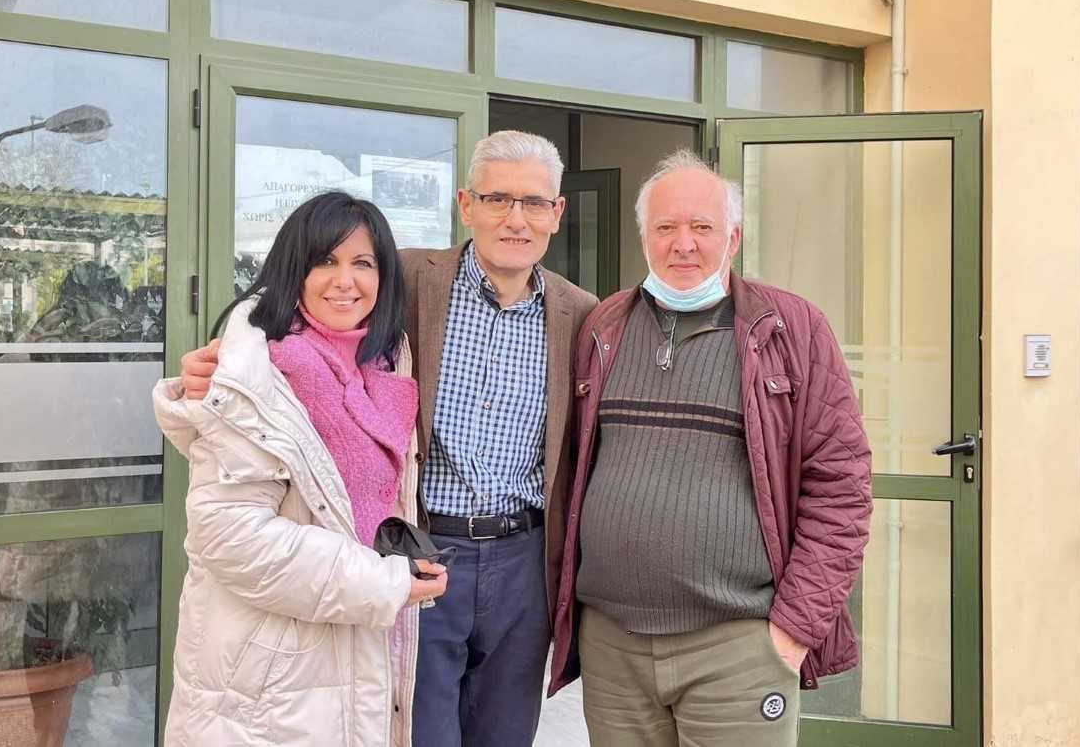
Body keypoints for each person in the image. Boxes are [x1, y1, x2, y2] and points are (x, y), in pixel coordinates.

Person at [177, 131, 599, 747]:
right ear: (466, 204)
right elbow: (292, 309)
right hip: (420, 550)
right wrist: (220, 361)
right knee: (414, 731)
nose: (516, 218)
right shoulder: (402, 278)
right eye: (497, 198)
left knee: (506, 733)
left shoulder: (582, 314)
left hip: (523, 562)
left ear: (557, 213)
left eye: (534, 202)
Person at [547, 149, 873, 747]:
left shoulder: (792, 331)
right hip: (613, 648)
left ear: (734, 238)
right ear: (644, 237)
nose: (683, 244)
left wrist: (793, 630)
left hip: (739, 648)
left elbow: (841, 490)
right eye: (665, 227)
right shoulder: (604, 327)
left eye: (702, 227)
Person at [153, 192, 447, 747]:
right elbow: (231, 536)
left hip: (352, 644)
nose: (345, 281)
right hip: (266, 676)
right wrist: (382, 581)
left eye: (363, 263)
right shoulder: (260, 368)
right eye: (325, 260)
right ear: (295, 268)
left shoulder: (384, 367)